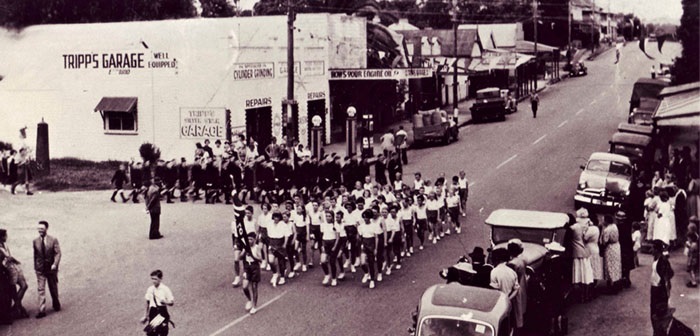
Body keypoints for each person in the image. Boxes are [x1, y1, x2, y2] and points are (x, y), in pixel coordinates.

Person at [33, 221, 61, 318]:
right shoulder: (35, 241)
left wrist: (55, 264)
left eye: (42, 229)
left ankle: (56, 303)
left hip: (51, 268)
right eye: (39, 229)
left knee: (53, 288)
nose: (40, 230)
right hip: (40, 269)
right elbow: (35, 255)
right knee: (41, 289)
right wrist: (36, 267)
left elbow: (58, 253)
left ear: (46, 229)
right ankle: (42, 310)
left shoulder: (53, 240)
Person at [0, 229, 28, 318]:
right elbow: (6, 259)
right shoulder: (0, 248)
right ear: (2, 237)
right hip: (8, 271)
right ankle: (17, 307)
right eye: (5, 236)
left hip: (14, 268)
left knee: (24, 286)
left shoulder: (4, 245)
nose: (6, 237)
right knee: (14, 290)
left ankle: (16, 306)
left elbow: (9, 257)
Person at [649, 240, 673, 336]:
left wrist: (667, 295)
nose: (651, 250)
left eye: (653, 248)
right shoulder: (656, 259)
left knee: (658, 315)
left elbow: (668, 276)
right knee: (654, 314)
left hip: (659, 292)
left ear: (657, 249)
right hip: (654, 289)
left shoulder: (662, 261)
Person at [140, 270, 174, 336]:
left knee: (162, 332)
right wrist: (145, 316)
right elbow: (147, 303)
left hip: (162, 313)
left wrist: (165, 302)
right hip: (153, 312)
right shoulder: (150, 289)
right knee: (150, 333)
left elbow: (172, 302)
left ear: (160, 279)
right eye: (152, 279)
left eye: (155, 279)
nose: (153, 281)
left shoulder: (165, 289)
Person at [570, 209, 594, 302]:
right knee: (586, 276)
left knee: (579, 275)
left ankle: (581, 296)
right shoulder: (587, 224)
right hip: (584, 251)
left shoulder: (574, 227)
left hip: (577, 253)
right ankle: (586, 295)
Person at [507, 239, 527, 329]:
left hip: (516, 288)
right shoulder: (521, 261)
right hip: (522, 286)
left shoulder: (512, 264)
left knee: (515, 310)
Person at [240, 233, 262, 314]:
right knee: (245, 286)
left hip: (255, 268)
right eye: (248, 239)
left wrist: (253, 256)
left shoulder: (257, 248)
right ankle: (249, 300)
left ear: (254, 240)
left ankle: (254, 306)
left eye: (251, 239)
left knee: (254, 287)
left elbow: (260, 259)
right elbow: (240, 257)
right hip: (247, 268)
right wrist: (244, 252)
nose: (249, 241)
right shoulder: (245, 247)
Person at [601, 215, 622, 294]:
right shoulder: (614, 226)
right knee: (616, 265)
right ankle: (617, 283)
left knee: (609, 266)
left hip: (610, 248)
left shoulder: (607, 229)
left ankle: (611, 286)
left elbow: (605, 241)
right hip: (616, 246)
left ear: (606, 221)